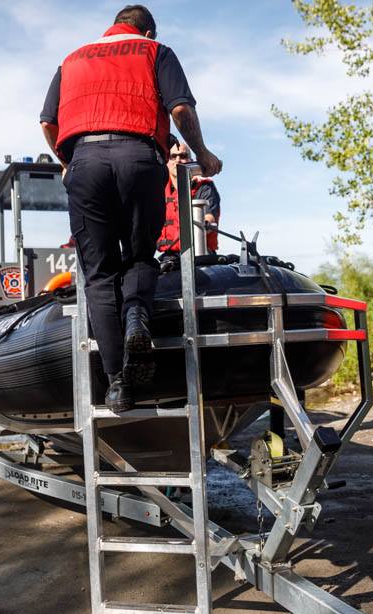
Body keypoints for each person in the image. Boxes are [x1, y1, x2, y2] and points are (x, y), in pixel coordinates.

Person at [38, 5, 222, 412]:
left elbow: (48, 122)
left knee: (100, 275)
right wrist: (203, 153)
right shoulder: (156, 52)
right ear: (148, 31)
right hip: (139, 155)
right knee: (140, 256)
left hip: (84, 160)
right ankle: (137, 316)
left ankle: (117, 385)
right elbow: (179, 109)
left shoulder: (70, 60)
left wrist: (68, 162)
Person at [157, 134, 221, 256]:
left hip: (201, 253)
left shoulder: (204, 188)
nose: (178, 160)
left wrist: (203, 225)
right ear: (166, 161)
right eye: (173, 156)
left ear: (191, 161)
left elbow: (209, 217)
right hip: (169, 255)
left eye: (183, 156)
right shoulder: (158, 190)